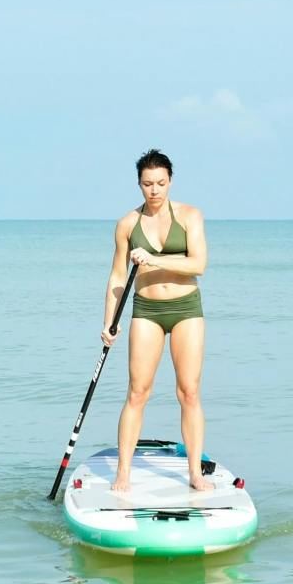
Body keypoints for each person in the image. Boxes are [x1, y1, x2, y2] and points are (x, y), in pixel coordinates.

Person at [101, 150, 209, 494]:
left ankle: (195, 473)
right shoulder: (127, 225)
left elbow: (198, 265)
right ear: (139, 184)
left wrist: (154, 259)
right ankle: (123, 473)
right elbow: (118, 276)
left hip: (185, 309)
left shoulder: (190, 216)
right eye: (148, 184)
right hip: (146, 310)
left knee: (188, 391)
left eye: (161, 183)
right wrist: (108, 323)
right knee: (137, 391)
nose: (155, 190)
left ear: (170, 181)